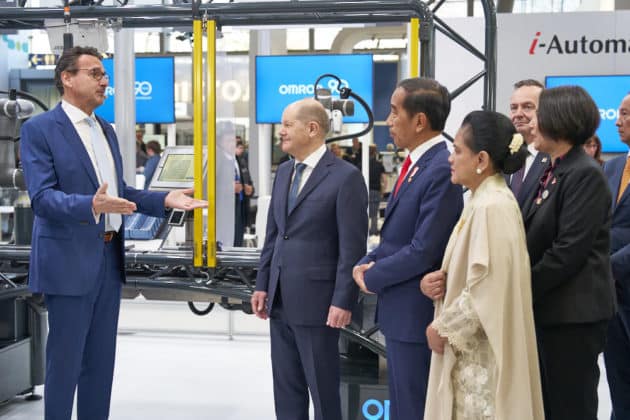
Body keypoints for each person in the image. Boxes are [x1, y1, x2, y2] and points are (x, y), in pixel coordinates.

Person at [19, 46, 207, 420]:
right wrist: (91, 205)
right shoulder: (39, 129)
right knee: (65, 364)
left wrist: (164, 199)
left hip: (107, 258)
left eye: (104, 74)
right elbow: (42, 199)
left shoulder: (105, 130)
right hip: (68, 262)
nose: (104, 80)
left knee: (100, 364)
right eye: (94, 73)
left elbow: (119, 192)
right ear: (67, 79)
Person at [352, 78, 463, 419]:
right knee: (402, 406)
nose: (388, 120)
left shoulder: (440, 170)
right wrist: (367, 261)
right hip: (400, 312)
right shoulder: (416, 166)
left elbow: (423, 248)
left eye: (394, 111)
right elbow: (396, 238)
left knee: (415, 408)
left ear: (420, 121)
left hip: (416, 314)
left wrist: (374, 277)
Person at [422, 110, 544, 420]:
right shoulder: (482, 199)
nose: (451, 158)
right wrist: (441, 278)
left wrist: (444, 328)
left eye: (458, 150)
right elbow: (474, 270)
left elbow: (488, 286)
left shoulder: (492, 206)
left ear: (481, 160)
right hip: (471, 351)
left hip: (480, 356)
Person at [251, 98, 368, 420]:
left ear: (312, 129)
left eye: (288, 125)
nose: (281, 132)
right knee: (286, 389)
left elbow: (352, 247)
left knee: (323, 390)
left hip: (319, 305)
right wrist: (263, 284)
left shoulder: (346, 177)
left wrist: (343, 300)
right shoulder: (285, 171)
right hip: (280, 300)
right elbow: (274, 235)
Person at [523, 85, 615, 420]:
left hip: (572, 317)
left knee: (570, 407)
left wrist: (517, 289)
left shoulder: (584, 174)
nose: (532, 124)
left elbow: (567, 252)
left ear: (559, 121)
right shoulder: (550, 167)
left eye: (538, 115)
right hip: (548, 311)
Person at [603, 92, 630, 419]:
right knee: (619, 387)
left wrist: (609, 265)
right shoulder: (610, 169)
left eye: (625, 114)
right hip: (610, 298)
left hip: (616, 276)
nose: (617, 120)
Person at [508, 79, 550, 209]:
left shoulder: (554, 158)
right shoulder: (503, 155)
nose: (518, 114)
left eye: (527, 107)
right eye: (514, 108)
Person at [234, 138, 254, 247]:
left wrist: (250, 190)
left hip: (241, 205)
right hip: (229, 209)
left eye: (241, 147)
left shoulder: (241, 162)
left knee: (238, 240)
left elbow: (249, 182)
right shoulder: (221, 161)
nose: (240, 149)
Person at [367, 144, 385, 236]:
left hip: (365, 190)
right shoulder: (379, 165)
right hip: (376, 190)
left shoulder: (363, 164)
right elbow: (384, 180)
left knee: (365, 212)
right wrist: (383, 191)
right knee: (374, 214)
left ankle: (366, 231)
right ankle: (373, 231)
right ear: (375, 152)